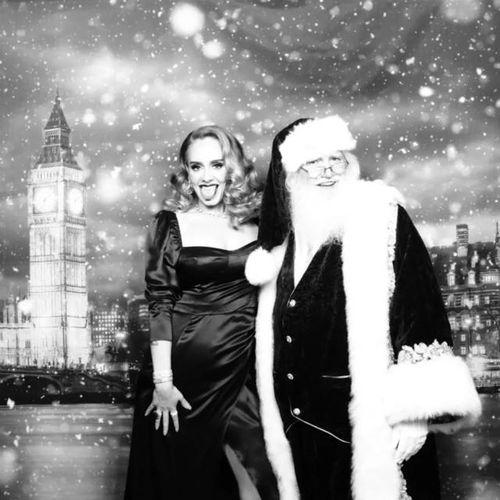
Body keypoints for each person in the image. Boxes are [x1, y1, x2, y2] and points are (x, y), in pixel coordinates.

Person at [244, 116, 482, 500]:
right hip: (300, 436)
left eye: (334, 159)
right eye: (312, 162)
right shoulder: (282, 244)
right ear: (289, 175)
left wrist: (415, 415)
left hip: (368, 427)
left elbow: (419, 310)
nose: (326, 171)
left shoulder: (381, 218)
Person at [125, 125, 278, 500]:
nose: (207, 177)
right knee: (182, 485)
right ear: (186, 173)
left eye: (216, 164)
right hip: (180, 378)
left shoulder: (263, 223)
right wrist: (163, 383)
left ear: (233, 168)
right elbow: (160, 302)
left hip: (240, 372)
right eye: (196, 167)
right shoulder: (169, 224)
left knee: (261, 478)